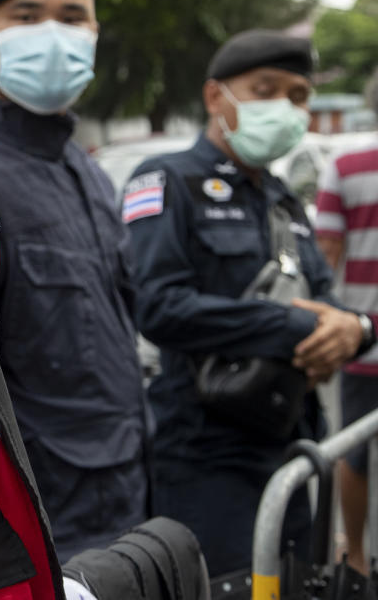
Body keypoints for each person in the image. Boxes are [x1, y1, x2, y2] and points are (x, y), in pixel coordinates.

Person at [125, 29, 378, 575]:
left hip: (294, 439)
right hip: (206, 453)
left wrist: (356, 328)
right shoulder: (167, 181)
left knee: (294, 583)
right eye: (267, 89)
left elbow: (325, 298)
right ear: (217, 98)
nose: (286, 108)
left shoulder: (283, 200)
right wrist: (288, 326)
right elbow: (160, 308)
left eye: (298, 96)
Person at [0, 0, 149, 560]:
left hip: (124, 502)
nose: (54, 35)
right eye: (28, 16)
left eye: (72, 18)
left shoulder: (85, 171)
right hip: (36, 531)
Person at [313, 65, 378, 574]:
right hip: (359, 338)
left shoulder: (348, 162)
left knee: (353, 454)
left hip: (361, 338)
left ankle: (354, 556)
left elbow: (326, 252)